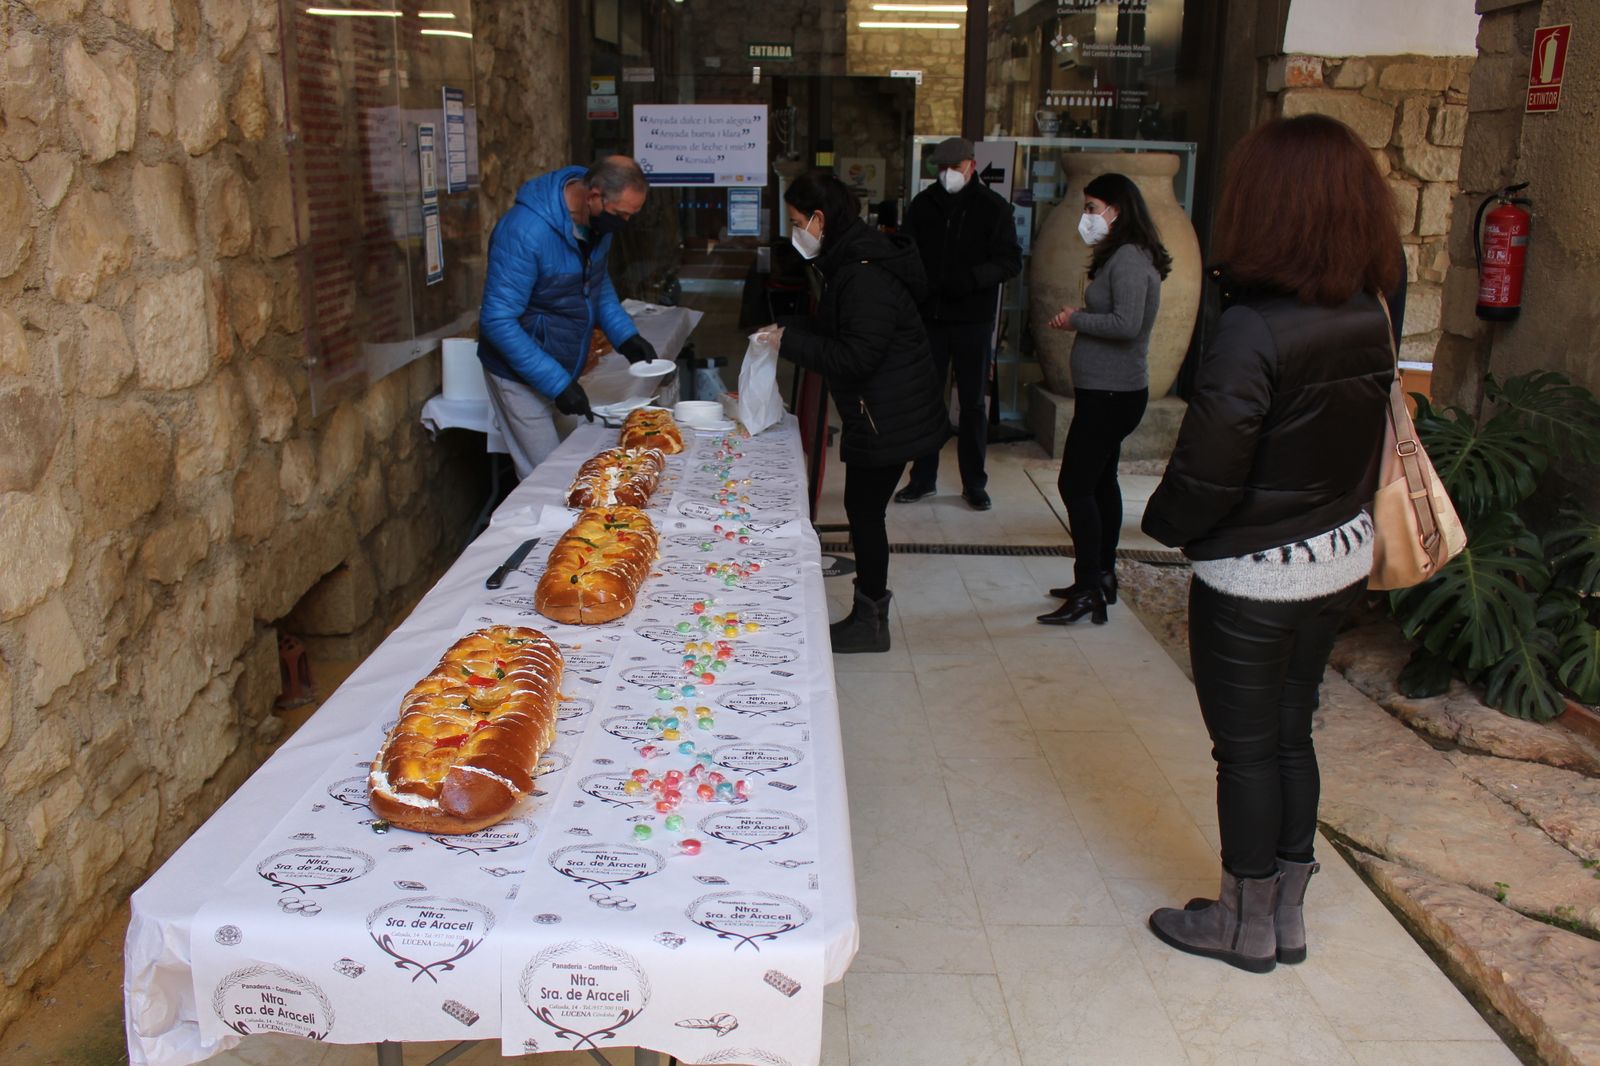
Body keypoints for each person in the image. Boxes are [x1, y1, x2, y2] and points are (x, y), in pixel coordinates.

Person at [1140, 114, 1401, 972]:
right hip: (1338, 558)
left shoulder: (1254, 327)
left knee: (1245, 752)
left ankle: (1241, 924)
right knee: (1292, 734)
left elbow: (1210, 469)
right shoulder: (1370, 312)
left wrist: (1165, 527)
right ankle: (1285, 915)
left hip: (1257, 575)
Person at [761, 172, 947, 653]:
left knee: (865, 514)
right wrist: (786, 328)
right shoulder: (850, 260)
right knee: (864, 511)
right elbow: (837, 327)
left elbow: (856, 355)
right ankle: (869, 614)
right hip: (885, 407)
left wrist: (791, 343)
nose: (795, 232)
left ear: (820, 220)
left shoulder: (863, 273)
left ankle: (871, 620)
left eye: (797, 222)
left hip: (888, 414)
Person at [1037, 173, 1171, 625]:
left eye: (1092, 208)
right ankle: (1101, 576)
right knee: (1099, 482)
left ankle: (1089, 587)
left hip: (1113, 394)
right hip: (1108, 390)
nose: (1087, 217)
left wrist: (1077, 319)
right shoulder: (1124, 255)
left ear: (1118, 209)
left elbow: (1126, 325)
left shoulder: (1130, 258)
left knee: (1075, 485)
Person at [479, 156, 661, 478]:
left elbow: (596, 285)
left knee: (573, 466)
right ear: (594, 196)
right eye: (621, 214)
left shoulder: (597, 222)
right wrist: (557, 383)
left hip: (561, 363)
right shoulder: (524, 231)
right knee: (545, 477)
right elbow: (497, 320)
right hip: (517, 372)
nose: (624, 224)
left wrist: (625, 336)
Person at [895, 137, 1023, 511]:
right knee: (926, 401)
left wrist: (972, 279)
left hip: (973, 320)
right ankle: (922, 479)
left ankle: (974, 483)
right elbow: (905, 252)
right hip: (930, 319)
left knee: (972, 405)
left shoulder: (993, 208)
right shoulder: (923, 205)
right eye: (941, 168)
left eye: (954, 167)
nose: (947, 174)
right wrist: (919, 285)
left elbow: (1010, 261)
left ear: (971, 165)